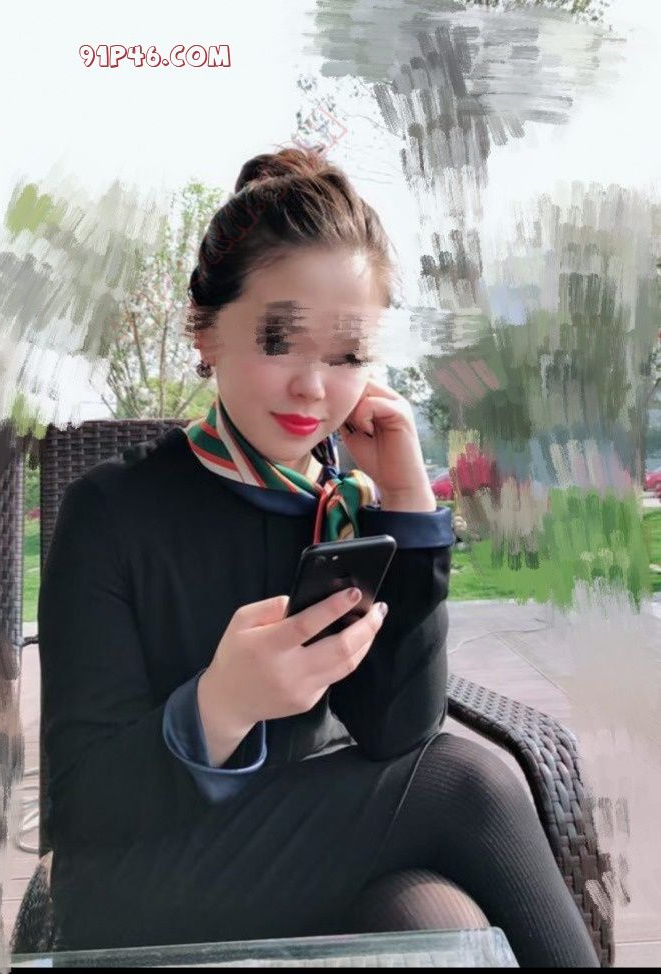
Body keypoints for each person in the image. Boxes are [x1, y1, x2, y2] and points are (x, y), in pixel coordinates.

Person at [38, 146, 601, 967]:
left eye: (346, 355)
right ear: (203, 330)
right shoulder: (112, 512)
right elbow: (83, 805)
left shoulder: (343, 507)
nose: (313, 387)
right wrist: (222, 705)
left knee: (430, 917)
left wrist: (407, 505)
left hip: (315, 851)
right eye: (280, 340)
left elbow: (398, 732)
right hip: (141, 880)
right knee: (469, 787)